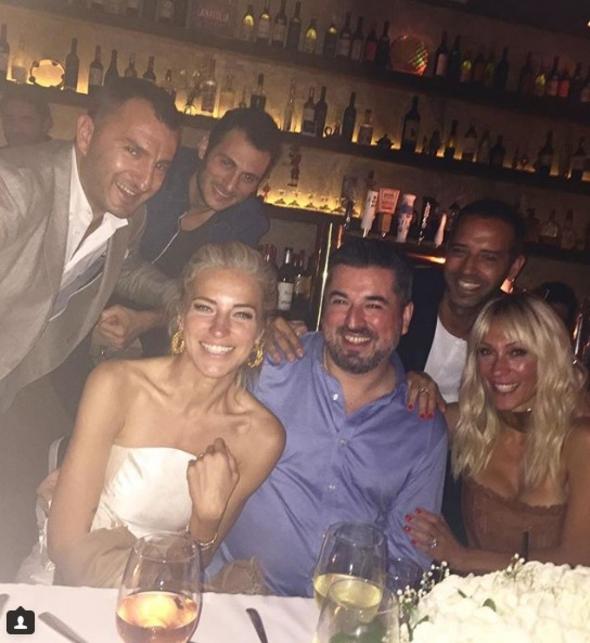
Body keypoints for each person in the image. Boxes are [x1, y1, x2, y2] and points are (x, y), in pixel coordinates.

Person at [0, 77, 180, 580]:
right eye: (133, 151)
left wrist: (182, 296)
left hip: (21, 377)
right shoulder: (15, 188)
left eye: (161, 165)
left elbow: (123, 264)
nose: (146, 178)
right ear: (85, 133)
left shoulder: (127, 215)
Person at [217, 238, 448, 597]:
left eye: (373, 305)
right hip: (236, 596)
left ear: (404, 318)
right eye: (340, 301)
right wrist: (262, 323)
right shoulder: (269, 367)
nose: (354, 321)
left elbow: (407, 555)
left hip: (344, 612)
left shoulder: (422, 426)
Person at [46, 242, 285, 587]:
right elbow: (65, 546)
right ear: (180, 316)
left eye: (241, 314)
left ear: (261, 331)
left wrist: (206, 519)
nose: (219, 329)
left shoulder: (262, 437)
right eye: (205, 308)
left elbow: (198, 560)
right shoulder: (117, 385)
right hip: (75, 586)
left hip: (165, 597)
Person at [406, 293, 590, 572]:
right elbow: (390, 427)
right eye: (486, 352)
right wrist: (408, 383)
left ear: (547, 357)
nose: (498, 369)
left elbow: (579, 559)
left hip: (555, 599)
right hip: (468, 596)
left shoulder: (580, 441)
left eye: (517, 352)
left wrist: (463, 557)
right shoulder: (471, 422)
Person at [95, 107, 282, 356]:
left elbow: (211, 303)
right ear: (204, 148)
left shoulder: (245, 222)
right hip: (91, 310)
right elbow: (107, 254)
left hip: (169, 344)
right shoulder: (157, 173)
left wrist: (144, 321)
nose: (230, 185)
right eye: (226, 163)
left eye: (248, 178)